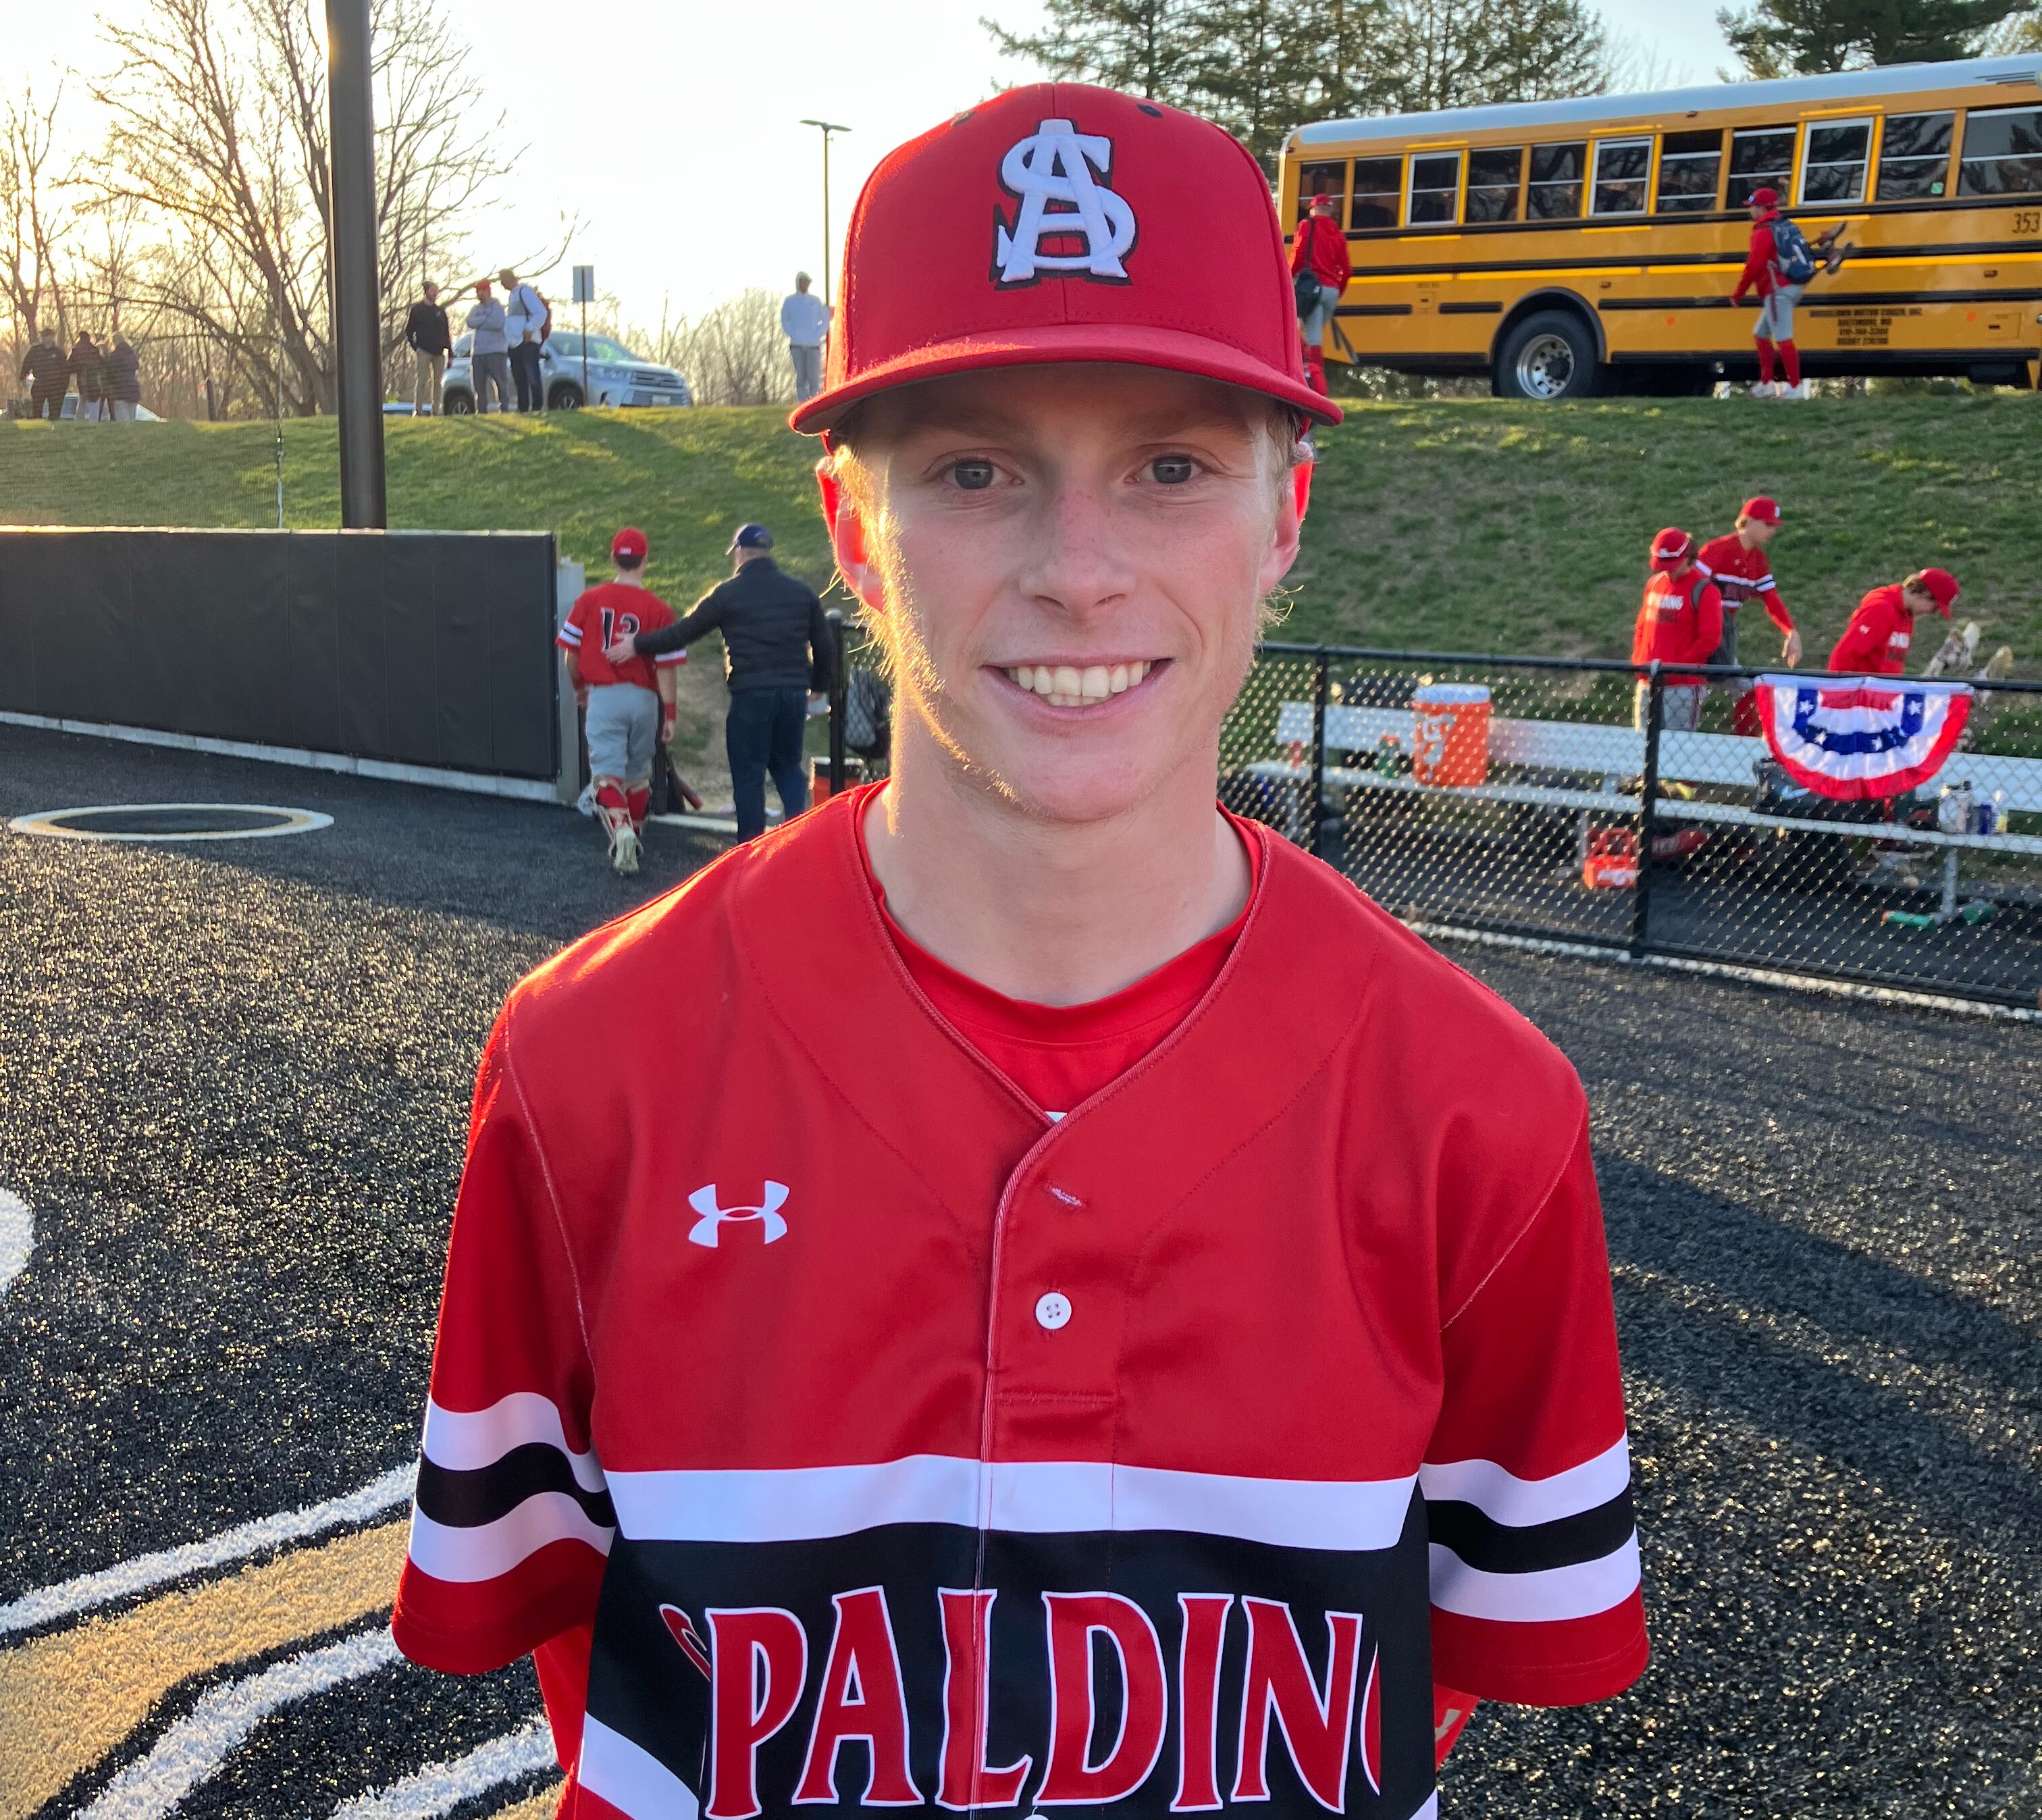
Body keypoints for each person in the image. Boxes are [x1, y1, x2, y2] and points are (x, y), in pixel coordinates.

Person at [392, 83, 1646, 1817]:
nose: (1078, 570)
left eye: (1172, 468)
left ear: (1284, 518)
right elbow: (555, 1647)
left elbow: (1463, 1676)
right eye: (975, 471)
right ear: (852, 531)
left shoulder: (1483, 1119)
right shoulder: (586, 1070)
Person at [606, 521, 835, 841]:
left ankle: (751, 849)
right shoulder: (801, 592)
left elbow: (683, 632)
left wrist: (636, 644)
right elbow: (824, 644)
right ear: (768, 551)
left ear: (740, 552)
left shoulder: (727, 594)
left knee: (749, 775)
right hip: (793, 692)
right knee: (787, 768)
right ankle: (802, 838)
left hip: (751, 693)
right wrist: (820, 686)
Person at [556, 527, 686, 875]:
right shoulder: (659, 609)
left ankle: (623, 832)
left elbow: (570, 654)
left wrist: (579, 686)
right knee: (637, 776)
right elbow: (667, 669)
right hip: (644, 700)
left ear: (613, 558)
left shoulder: (590, 600)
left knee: (605, 779)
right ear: (646, 561)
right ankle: (635, 838)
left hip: (605, 697)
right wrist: (670, 714)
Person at [1696, 494, 1800, 733]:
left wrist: (1791, 631)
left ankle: (1748, 745)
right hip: (1698, 633)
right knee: (1689, 694)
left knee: (1748, 691)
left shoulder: (1758, 561)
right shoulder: (1717, 550)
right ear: (1748, 521)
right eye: (1768, 524)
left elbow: (1771, 600)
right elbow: (1689, 591)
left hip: (1721, 636)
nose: (1772, 531)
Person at [1730, 188, 1835, 401]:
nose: (1750, 210)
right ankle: (1767, 383)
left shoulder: (1763, 231)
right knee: (1760, 334)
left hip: (1777, 291)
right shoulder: (1783, 226)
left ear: (1761, 208)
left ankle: (1794, 388)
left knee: (1783, 339)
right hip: (1788, 288)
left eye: (1752, 206)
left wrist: (1738, 293)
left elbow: (1754, 265)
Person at [1633, 526, 1724, 732]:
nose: (1667, 569)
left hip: (1683, 686)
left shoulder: (1705, 590)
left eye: (1672, 563)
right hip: (1648, 681)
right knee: (1642, 745)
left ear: (1688, 557)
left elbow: (1709, 640)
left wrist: (1674, 669)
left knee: (1675, 749)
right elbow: (1642, 627)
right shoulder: (1655, 583)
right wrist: (1639, 661)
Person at [1828, 568, 1960, 675]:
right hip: (1859, 700)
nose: (1932, 612)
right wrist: (1838, 695)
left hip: (1879, 699)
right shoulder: (1880, 610)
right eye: (1935, 607)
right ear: (1924, 594)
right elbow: (1844, 655)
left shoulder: (1906, 618)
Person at [1290, 190, 1350, 398]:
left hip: (1311, 289)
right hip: (1331, 291)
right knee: (1310, 335)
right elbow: (1347, 270)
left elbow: (1298, 254)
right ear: (1331, 211)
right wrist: (1335, 293)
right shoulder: (1339, 235)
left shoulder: (1307, 226)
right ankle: (1309, 380)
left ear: (1314, 209)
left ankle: (1314, 387)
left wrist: (1287, 278)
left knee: (1311, 337)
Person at [501, 267, 549, 412]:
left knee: (532, 376)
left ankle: (537, 407)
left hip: (527, 343)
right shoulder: (513, 295)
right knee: (519, 378)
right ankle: (523, 408)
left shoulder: (524, 292)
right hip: (514, 343)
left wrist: (529, 329)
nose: (502, 285)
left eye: (502, 281)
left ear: (508, 279)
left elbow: (541, 313)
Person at [781, 271, 831, 404]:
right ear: (798, 283)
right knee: (801, 377)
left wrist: (818, 334)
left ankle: (814, 403)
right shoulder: (790, 302)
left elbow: (825, 318)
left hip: (813, 346)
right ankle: (802, 403)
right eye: (803, 282)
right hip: (797, 346)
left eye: (807, 282)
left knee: (813, 378)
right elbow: (785, 320)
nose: (805, 285)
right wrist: (794, 334)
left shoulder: (815, 302)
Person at [405, 281, 452, 415]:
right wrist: (416, 348)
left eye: (436, 290)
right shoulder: (417, 310)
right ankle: (418, 410)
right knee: (421, 381)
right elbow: (409, 331)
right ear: (426, 292)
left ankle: (436, 411)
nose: (435, 293)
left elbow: (446, 333)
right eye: (433, 290)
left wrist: (450, 353)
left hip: (439, 353)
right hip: (423, 351)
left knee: (438, 383)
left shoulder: (440, 311)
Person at [465, 280, 509, 413]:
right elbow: (470, 322)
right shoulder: (476, 308)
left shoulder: (497, 307)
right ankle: (482, 411)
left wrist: (480, 321)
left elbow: (497, 323)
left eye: (480, 291)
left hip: (495, 352)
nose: (477, 293)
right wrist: (485, 318)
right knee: (479, 386)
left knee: (501, 384)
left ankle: (504, 409)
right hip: (478, 353)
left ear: (487, 291)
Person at [18, 326, 66, 420]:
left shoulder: (59, 352)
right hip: (39, 384)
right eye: (45, 336)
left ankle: (54, 427)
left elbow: (65, 371)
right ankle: (37, 426)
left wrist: (63, 386)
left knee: (55, 411)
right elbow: (26, 367)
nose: (47, 338)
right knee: (37, 409)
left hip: (55, 386)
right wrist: (26, 380)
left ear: (53, 337)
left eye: (49, 336)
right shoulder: (35, 350)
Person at [68, 331, 104, 421]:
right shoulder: (94, 350)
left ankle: (79, 421)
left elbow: (70, 366)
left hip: (82, 379)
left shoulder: (76, 350)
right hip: (94, 380)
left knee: (82, 401)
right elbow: (101, 365)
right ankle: (93, 421)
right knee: (94, 402)